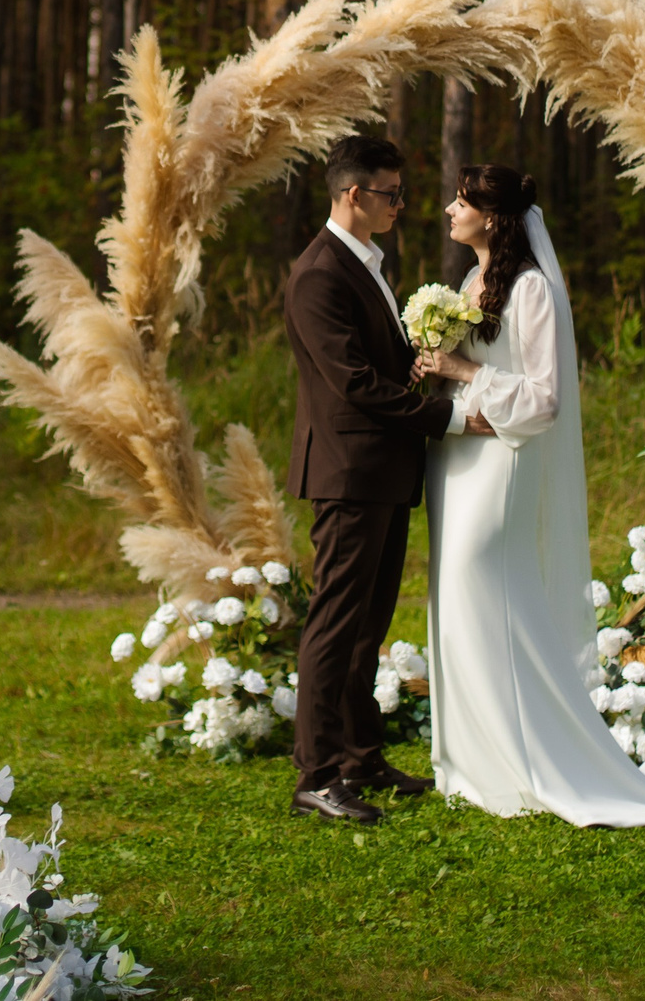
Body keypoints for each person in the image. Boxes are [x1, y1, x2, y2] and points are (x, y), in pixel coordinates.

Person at [411, 162, 645, 826]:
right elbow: (468, 380)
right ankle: (477, 762)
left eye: (460, 201)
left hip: (502, 462)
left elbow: (546, 399)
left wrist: (463, 366)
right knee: (457, 598)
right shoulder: (472, 282)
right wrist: (432, 368)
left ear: (492, 216)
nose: (448, 209)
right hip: (456, 462)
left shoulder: (530, 290)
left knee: (490, 593)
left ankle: (533, 758)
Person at [280, 134, 481, 825]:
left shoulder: (364, 262)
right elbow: (353, 384)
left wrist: (417, 362)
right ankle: (317, 771)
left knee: (367, 624)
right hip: (348, 472)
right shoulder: (318, 273)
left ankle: (362, 755)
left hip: (383, 471)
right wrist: (445, 417)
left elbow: (377, 365)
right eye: (391, 193)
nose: (401, 204)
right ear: (353, 194)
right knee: (334, 623)